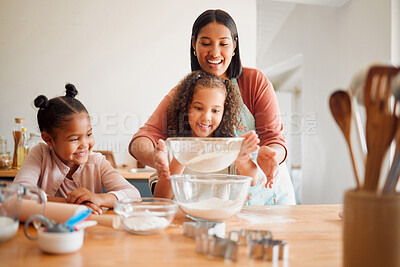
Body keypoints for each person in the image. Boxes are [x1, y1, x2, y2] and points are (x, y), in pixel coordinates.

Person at [129, 9, 295, 205]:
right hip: (223, 208)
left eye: (223, 44)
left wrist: (272, 154)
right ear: (194, 44)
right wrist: (158, 160)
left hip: (269, 198)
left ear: (234, 46)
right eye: (206, 43)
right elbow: (141, 140)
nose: (215, 52)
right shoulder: (181, 94)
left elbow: (274, 138)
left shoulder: (254, 82)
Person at [14, 84, 141, 214]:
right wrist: (73, 204)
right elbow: (18, 194)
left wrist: (98, 198)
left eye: (89, 134)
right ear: (48, 139)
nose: (85, 144)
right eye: (75, 139)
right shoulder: (40, 154)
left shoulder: (97, 162)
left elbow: (134, 195)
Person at [152, 70, 260, 199]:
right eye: (198, 108)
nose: (206, 117)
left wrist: (242, 160)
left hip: (218, 217)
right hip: (181, 218)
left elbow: (252, 180)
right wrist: (180, 159)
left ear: (224, 113)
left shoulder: (228, 147)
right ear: (186, 107)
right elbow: (160, 197)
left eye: (215, 110)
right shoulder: (171, 147)